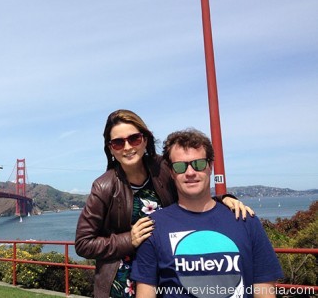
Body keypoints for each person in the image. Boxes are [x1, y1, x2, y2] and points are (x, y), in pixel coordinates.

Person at [75, 110, 254, 298]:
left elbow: (191, 188)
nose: (127, 147)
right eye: (118, 142)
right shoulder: (104, 186)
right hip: (123, 283)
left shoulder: (164, 169)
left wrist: (222, 199)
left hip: (167, 274)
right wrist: (129, 239)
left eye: (134, 138)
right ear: (111, 149)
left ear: (145, 140)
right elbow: (83, 243)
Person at [131, 128, 283, 298]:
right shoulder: (154, 227)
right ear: (172, 173)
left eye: (199, 164)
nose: (190, 172)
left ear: (210, 166)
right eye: (180, 166)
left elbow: (264, 289)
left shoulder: (245, 220)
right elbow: (146, 292)